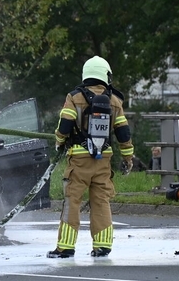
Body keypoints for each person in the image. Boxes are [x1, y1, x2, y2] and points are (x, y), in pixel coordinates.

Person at [48, 56, 134, 259]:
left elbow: (65, 124)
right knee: (101, 200)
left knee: (72, 200)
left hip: (79, 160)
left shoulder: (74, 97)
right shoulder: (115, 101)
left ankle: (65, 247)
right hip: (103, 160)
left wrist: (59, 141)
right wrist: (128, 157)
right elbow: (123, 133)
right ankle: (102, 245)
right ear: (105, 75)